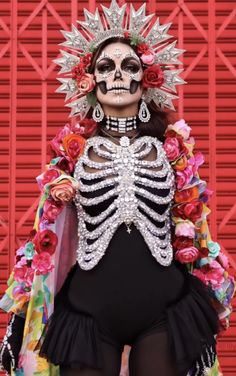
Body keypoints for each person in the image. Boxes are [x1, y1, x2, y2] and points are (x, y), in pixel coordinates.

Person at [0, 1, 235, 375]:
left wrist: (211, 281)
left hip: (164, 308)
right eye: (106, 67)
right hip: (90, 313)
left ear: (147, 78)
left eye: (130, 67)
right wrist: (22, 308)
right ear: (90, 80)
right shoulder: (71, 153)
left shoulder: (173, 149)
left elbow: (195, 226)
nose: (119, 77)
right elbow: (43, 237)